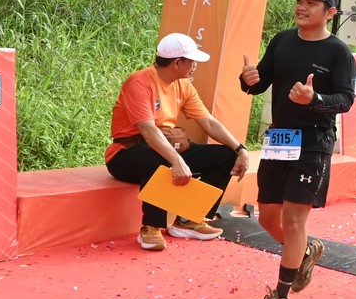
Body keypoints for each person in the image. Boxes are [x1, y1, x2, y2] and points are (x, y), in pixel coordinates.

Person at [239, 0, 356, 299]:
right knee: (267, 217)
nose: (302, 7)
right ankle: (305, 251)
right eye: (300, 1)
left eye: (311, 3)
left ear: (330, 12)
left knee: (294, 219)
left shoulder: (338, 52)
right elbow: (260, 82)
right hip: (280, 137)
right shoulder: (282, 41)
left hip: (314, 142)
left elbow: (345, 99)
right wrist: (248, 80)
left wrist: (315, 98)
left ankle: (279, 298)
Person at [104, 33, 252, 251]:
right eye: (192, 61)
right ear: (177, 63)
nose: (195, 66)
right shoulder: (140, 82)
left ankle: (188, 220)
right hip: (125, 155)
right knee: (160, 156)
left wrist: (240, 149)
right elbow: (148, 129)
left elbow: (209, 122)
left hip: (163, 148)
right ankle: (150, 227)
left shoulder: (183, 85)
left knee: (226, 156)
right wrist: (176, 160)